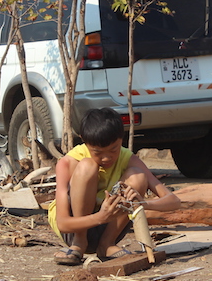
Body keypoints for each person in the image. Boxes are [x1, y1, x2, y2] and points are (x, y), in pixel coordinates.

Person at [47, 108, 181, 265]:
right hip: (73, 231)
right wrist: (100, 217)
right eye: (97, 152)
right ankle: (79, 242)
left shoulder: (128, 158)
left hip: (109, 227)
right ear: (84, 141)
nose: (106, 158)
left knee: (137, 176)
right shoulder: (68, 163)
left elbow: (173, 201)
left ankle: (107, 244)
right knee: (87, 166)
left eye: (113, 149)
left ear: (121, 139)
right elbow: (63, 223)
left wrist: (142, 204)